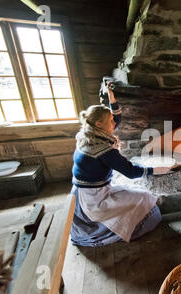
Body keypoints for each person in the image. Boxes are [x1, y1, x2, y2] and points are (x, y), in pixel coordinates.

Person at [70, 82, 170, 247]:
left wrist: (111, 98)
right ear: (98, 124)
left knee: (139, 192)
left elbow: (116, 117)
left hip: (85, 191)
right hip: (92, 200)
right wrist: (157, 169)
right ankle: (127, 230)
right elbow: (131, 172)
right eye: (109, 120)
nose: (113, 123)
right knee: (144, 197)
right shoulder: (102, 149)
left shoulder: (88, 134)